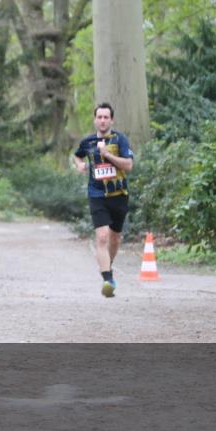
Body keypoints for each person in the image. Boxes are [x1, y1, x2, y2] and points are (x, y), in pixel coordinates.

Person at [72, 102, 134, 298]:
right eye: (99, 117)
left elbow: (129, 165)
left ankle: (108, 266)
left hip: (119, 195)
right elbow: (77, 156)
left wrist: (107, 155)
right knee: (102, 237)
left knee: (115, 238)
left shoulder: (120, 140)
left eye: (106, 117)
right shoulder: (88, 142)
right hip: (97, 195)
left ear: (112, 120)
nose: (103, 120)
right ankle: (107, 279)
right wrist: (80, 165)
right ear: (95, 120)